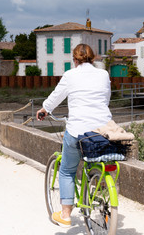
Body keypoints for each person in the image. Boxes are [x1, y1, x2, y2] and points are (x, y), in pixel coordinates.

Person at [36, 44, 112, 227]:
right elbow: (105, 99)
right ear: (92, 59)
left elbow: (56, 96)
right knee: (97, 159)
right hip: (102, 129)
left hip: (78, 130)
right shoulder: (103, 74)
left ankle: (65, 214)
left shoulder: (70, 75)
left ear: (75, 60)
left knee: (67, 170)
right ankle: (97, 184)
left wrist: (45, 109)